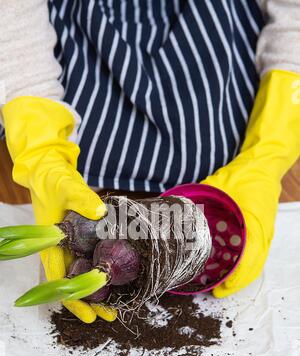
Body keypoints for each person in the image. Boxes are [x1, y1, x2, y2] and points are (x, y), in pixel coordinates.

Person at [0, 0, 299, 323]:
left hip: (211, 29)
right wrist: (43, 151)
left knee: (209, 145)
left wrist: (266, 157)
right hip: (76, 29)